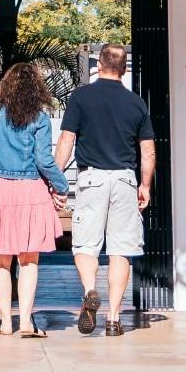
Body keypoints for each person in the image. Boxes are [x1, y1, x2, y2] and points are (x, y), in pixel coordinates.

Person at [55, 42, 155, 338]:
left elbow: (66, 140)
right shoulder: (136, 103)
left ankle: (89, 291)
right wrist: (145, 185)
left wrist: (56, 178)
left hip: (92, 179)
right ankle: (113, 319)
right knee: (121, 249)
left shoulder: (81, 97)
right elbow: (148, 151)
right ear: (124, 70)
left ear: (99, 66)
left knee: (85, 244)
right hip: (124, 180)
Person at [0, 60, 71, 340]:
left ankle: (5, 322)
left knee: (0, 259)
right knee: (29, 259)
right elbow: (43, 160)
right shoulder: (39, 119)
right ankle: (26, 321)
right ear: (35, 88)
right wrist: (61, 185)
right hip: (30, 190)